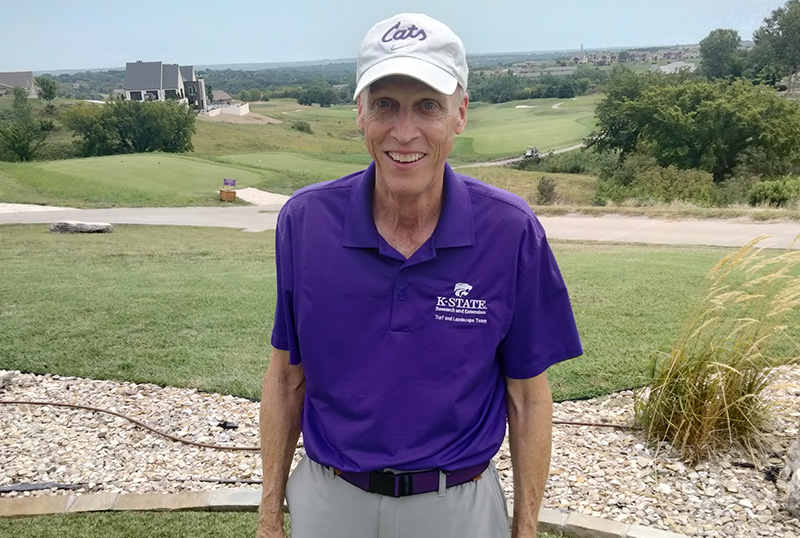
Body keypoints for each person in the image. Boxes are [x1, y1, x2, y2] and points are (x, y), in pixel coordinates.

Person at [257, 13, 582, 538]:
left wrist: (525, 529)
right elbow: (285, 376)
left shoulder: (510, 230)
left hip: (459, 507)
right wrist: (270, 515)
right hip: (331, 500)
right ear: (360, 112)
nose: (404, 132)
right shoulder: (305, 221)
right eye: (386, 104)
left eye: (427, 106)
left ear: (460, 115)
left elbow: (528, 397)